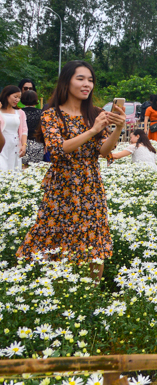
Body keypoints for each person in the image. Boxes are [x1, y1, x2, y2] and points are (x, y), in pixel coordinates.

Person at [16, 61, 126, 281]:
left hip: (90, 184)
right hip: (62, 186)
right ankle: (56, 292)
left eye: (91, 80)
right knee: (55, 238)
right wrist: (93, 130)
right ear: (66, 81)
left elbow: (104, 151)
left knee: (94, 240)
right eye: (81, 79)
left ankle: (92, 296)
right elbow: (57, 150)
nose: (87, 84)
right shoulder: (51, 115)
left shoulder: (95, 113)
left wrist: (118, 128)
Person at [0, 85, 27, 171]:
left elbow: (24, 130)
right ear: (7, 95)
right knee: (3, 169)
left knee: (13, 171)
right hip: (2, 145)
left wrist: (24, 145)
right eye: (15, 97)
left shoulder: (20, 113)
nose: (17, 100)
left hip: (15, 145)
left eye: (19, 97)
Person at [20, 90, 45, 166]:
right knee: (36, 169)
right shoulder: (41, 113)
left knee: (22, 168)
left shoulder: (19, 112)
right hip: (37, 143)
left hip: (22, 144)